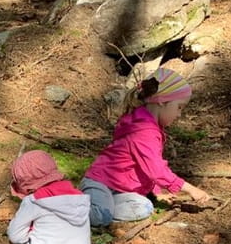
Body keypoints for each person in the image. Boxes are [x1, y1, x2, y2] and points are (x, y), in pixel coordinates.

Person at [80, 67, 211, 228]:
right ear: (163, 101)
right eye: (179, 107)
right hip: (101, 183)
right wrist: (190, 189)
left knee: (144, 206)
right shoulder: (144, 131)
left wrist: (156, 191)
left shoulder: (147, 124)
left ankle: (101, 208)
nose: (179, 114)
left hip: (121, 190)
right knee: (101, 216)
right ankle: (64, 208)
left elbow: (145, 165)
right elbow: (156, 170)